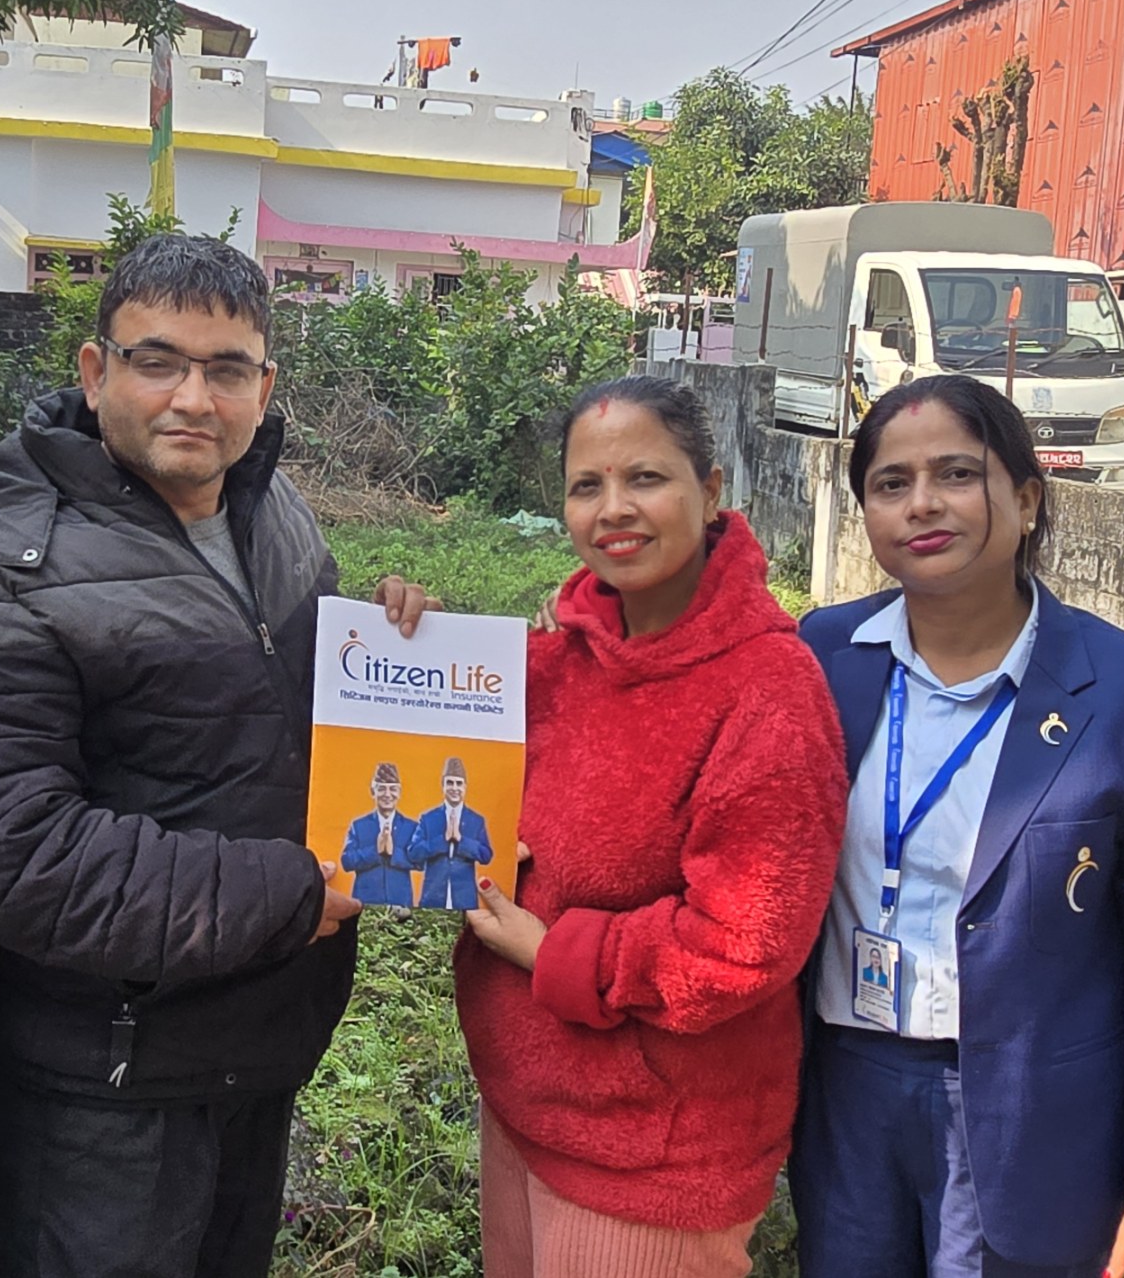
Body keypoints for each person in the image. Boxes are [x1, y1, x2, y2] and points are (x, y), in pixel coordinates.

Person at [0, 233, 434, 1278]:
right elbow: (14, 852)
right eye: (158, 362)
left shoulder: (271, 511)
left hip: (261, 1044)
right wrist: (287, 894)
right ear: (97, 371)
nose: (194, 398)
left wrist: (396, 652)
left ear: (264, 388)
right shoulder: (3, 570)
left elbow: (293, 712)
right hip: (107, 1088)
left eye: (227, 369)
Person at [790, 373, 1124, 1278]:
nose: (922, 504)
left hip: (1028, 1118)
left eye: (957, 474)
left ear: (1027, 500)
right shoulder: (821, 658)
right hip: (844, 1093)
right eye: (890, 483)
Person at [455, 375, 847, 1278]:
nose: (613, 510)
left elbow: (744, 944)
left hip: (654, 1156)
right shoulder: (563, 662)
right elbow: (445, 773)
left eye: (645, 478)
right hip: (525, 1109)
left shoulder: (769, 692)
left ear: (710, 492)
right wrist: (419, 645)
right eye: (586, 486)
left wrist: (554, 953)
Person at [410, 755, 493, 909]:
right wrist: (442, 840)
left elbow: (486, 855)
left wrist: (461, 840)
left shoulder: (476, 820)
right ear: (442, 785)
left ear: (465, 787)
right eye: (450, 783)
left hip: (465, 900)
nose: (454, 788)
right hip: (432, 898)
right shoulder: (428, 818)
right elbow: (414, 853)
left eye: (459, 783)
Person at [341, 762, 418, 905]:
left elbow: (421, 862)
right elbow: (347, 861)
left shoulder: (411, 827)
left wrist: (393, 853)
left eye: (393, 789)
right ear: (373, 791)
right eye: (381, 789)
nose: (387, 795)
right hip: (365, 903)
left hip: (400, 902)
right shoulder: (359, 825)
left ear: (399, 793)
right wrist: (375, 851)